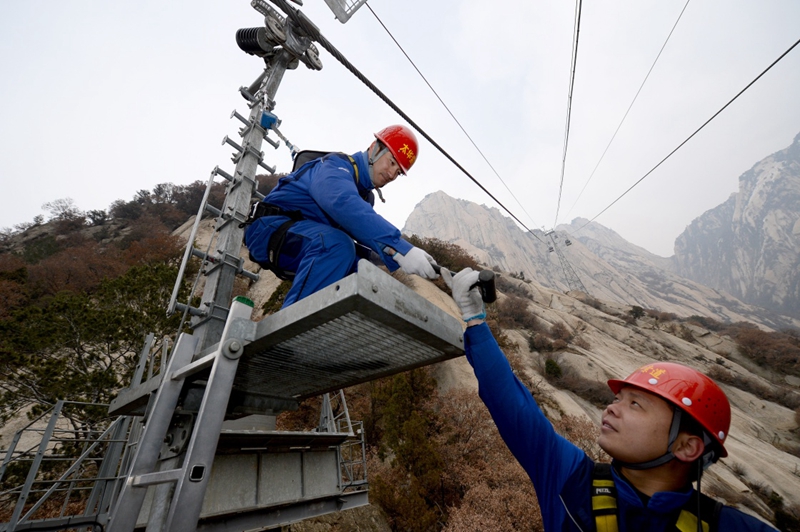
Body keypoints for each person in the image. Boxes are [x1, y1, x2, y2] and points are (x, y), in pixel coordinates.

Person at [440, 267, 778, 531]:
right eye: (618, 398)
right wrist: (475, 322)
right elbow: (512, 406)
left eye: (635, 404)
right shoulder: (571, 479)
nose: (612, 408)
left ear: (688, 446)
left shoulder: (733, 527)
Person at [245, 125, 438, 308]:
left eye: (398, 172)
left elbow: (360, 229)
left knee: (365, 274)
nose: (391, 174)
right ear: (374, 148)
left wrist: (391, 256)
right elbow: (342, 203)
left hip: (302, 238)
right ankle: (293, 324)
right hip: (268, 229)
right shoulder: (335, 166)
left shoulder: (365, 197)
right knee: (338, 246)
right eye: (392, 162)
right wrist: (402, 248)